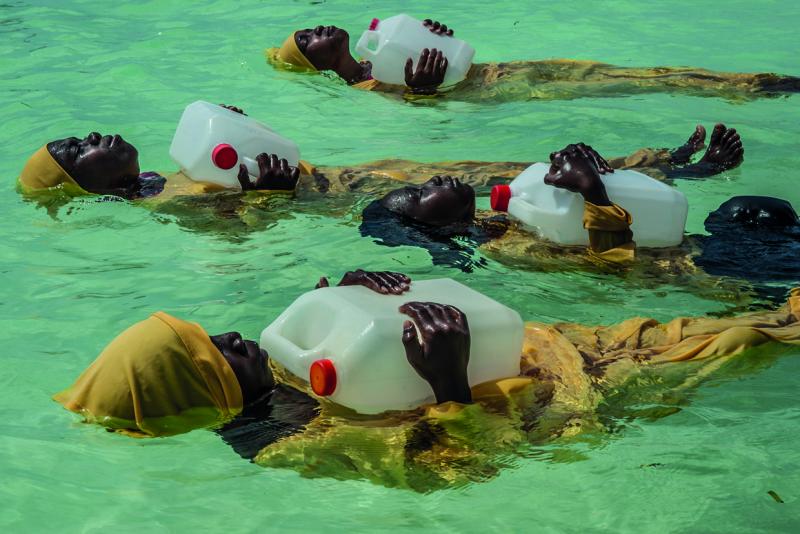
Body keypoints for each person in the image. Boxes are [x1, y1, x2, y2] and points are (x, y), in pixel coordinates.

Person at [55, 269, 800, 491]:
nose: (226, 336)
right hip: (569, 401)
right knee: (742, 342)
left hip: (545, 349)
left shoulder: (269, 369)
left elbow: (364, 351)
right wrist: (446, 385)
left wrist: (367, 291)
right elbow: (457, 469)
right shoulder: (285, 444)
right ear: (204, 394)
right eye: (208, 351)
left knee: (739, 319)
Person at [359, 124, 746, 272]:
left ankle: (687, 167)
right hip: (697, 271)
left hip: (681, 247)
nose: (435, 179)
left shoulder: (503, 214)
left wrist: (589, 171)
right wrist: (593, 192)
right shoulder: (502, 248)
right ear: (431, 226)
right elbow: (613, 265)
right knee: (746, 214)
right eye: (421, 193)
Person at [267, 21, 800, 102]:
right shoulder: (368, 89)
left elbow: (455, 56)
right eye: (306, 40)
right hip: (502, 92)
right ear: (314, 65)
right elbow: (431, 116)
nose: (317, 30)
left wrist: (443, 37)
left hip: (508, 69)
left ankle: (761, 83)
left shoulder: (374, 53)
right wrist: (423, 92)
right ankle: (760, 87)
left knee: (644, 75)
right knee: (640, 86)